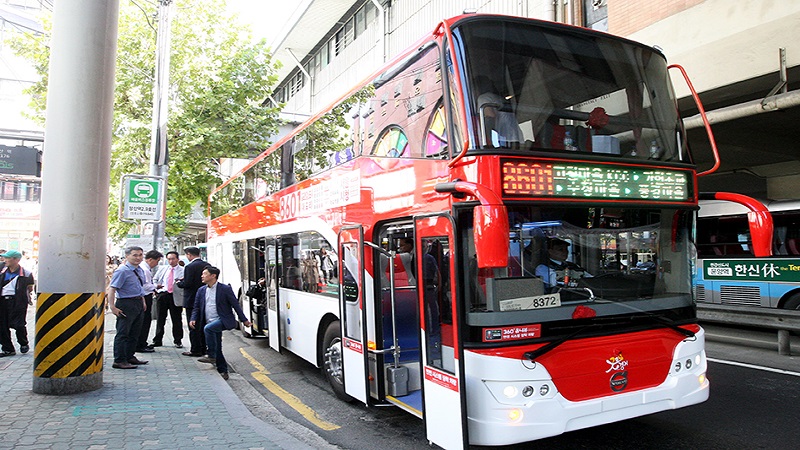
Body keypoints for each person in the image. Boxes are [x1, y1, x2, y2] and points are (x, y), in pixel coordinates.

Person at [190, 266, 250, 381]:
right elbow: (196, 307)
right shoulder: (201, 290)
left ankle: (211, 355)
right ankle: (223, 370)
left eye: (204, 274)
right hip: (208, 320)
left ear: (213, 276)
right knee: (217, 346)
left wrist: (244, 320)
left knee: (208, 329)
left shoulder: (224, 289)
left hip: (223, 320)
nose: (202, 276)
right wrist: (193, 318)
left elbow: (235, 305)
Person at [107, 246, 149, 369]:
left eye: (140, 255)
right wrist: (113, 307)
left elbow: (140, 287)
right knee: (123, 333)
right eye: (135, 255)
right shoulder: (122, 271)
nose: (138, 258)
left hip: (138, 302)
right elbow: (112, 289)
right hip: (126, 303)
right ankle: (119, 360)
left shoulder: (139, 269)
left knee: (135, 332)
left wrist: (143, 301)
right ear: (127, 256)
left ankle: (130, 356)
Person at [0, 250, 35, 357]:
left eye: (7, 258)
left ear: (16, 260)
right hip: (2, 301)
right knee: (2, 325)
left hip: (18, 301)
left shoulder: (26, 274)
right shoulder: (2, 271)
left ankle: (23, 343)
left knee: (19, 324)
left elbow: (30, 288)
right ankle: (8, 349)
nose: (4, 260)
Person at [177, 246, 209, 357]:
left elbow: (188, 283)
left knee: (193, 325)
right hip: (205, 298)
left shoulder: (189, 267)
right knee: (203, 324)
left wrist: (179, 283)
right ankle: (204, 348)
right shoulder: (207, 265)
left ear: (189, 254)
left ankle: (195, 349)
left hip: (191, 300)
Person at [152, 251, 185, 348]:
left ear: (178, 259)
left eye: (173, 259)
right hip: (163, 294)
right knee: (160, 318)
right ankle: (157, 339)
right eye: (169, 259)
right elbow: (155, 279)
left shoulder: (183, 270)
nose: (171, 261)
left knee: (176, 319)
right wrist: (156, 287)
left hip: (175, 295)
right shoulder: (163, 269)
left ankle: (178, 340)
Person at [136, 250, 163, 353]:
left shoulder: (144, 268)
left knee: (145, 321)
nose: (157, 264)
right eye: (157, 261)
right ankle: (141, 344)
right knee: (145, 321)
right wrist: (156, 286)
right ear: (150, 259)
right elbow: (145, 285)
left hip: (145, 296)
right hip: (145, 296)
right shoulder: (145, 270)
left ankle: (142, 343)